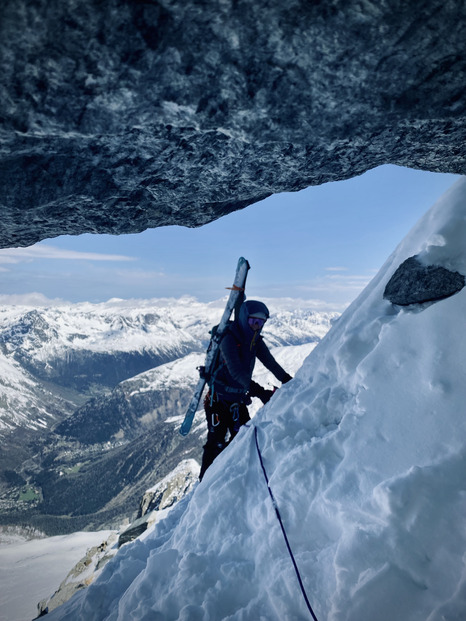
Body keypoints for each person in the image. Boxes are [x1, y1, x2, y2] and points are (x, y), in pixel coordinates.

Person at [199, 299, 292, 480]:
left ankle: (230, 478)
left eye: (260, 322)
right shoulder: (229, 338)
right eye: (253, 321)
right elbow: (236, 372)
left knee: (242, 439)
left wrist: (287, 380)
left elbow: (270, 363)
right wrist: (259, 392)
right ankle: (203, 484)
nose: (256, 326)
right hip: (218, 400)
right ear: (244, 319)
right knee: (215, 443)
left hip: (237, 400)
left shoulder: (255, 341)